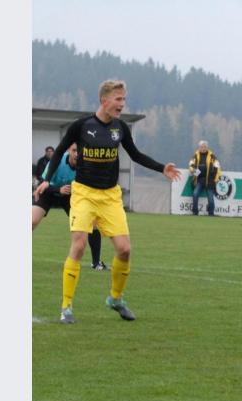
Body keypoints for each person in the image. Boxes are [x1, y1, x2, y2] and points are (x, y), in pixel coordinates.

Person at [34, 79, 181, 324]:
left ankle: (115, 298)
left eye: (124, 99)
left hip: (111, 196)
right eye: (118, 99)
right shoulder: (82, 126)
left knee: (124, 249)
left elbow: (135, 155)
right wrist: (46, 179)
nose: (122, 104)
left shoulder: (120, 128)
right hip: (84, 194)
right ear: (104, 100)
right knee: (79, 245)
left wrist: (161, 168)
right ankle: (66, 307)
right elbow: (59, 151)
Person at [32, 143, 107, 270]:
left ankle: (96, 263)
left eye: (80, 151)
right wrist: (58, 190)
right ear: (69, 150)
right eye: (74, 150)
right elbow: (42, 184)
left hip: (71, 196)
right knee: (32, 220)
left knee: (92, 224)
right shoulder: (57, 159)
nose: (77, 154)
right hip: (50, 192)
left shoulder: (86, 165)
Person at [188, 140, 221, 216]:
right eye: (202, 147)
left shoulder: (212, 156)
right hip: (199, 180)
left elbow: (218, 168)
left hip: (210, 180)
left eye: (205, 147)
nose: (203, 148)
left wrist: (216, 179)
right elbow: (191, 165)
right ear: (199, 147)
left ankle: (211, 213)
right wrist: (193, 170)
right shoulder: (195, 156)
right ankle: (195, 212)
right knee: (195, 194)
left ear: (207, 147)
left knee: (211, 199)